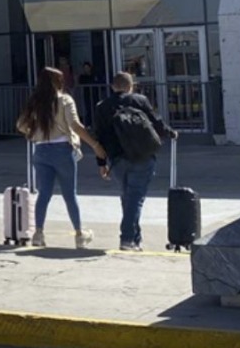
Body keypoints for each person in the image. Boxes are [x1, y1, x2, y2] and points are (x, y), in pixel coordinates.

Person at [15, 66, 106, 248]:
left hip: (40, 150)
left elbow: (20, 125)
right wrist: (95, 145)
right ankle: (79, 234)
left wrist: (32, 132)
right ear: (59, 82)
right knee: (69, 194)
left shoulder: (35, 102)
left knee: (44, 194)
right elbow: (75, 125)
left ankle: (38, 233)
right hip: (62, 149)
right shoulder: (64, 100)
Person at [92, 71, 176, 251]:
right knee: (135, 199)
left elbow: (98, 137)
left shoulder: (102, 107)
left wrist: (101, 163)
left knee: (128, 198)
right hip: (142, 156)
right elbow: (157, 123)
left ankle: (135, 239)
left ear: (112, 86)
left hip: (116, 158)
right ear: (131, 86)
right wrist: (170, 133)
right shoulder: (140, 101)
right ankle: (128, 238)